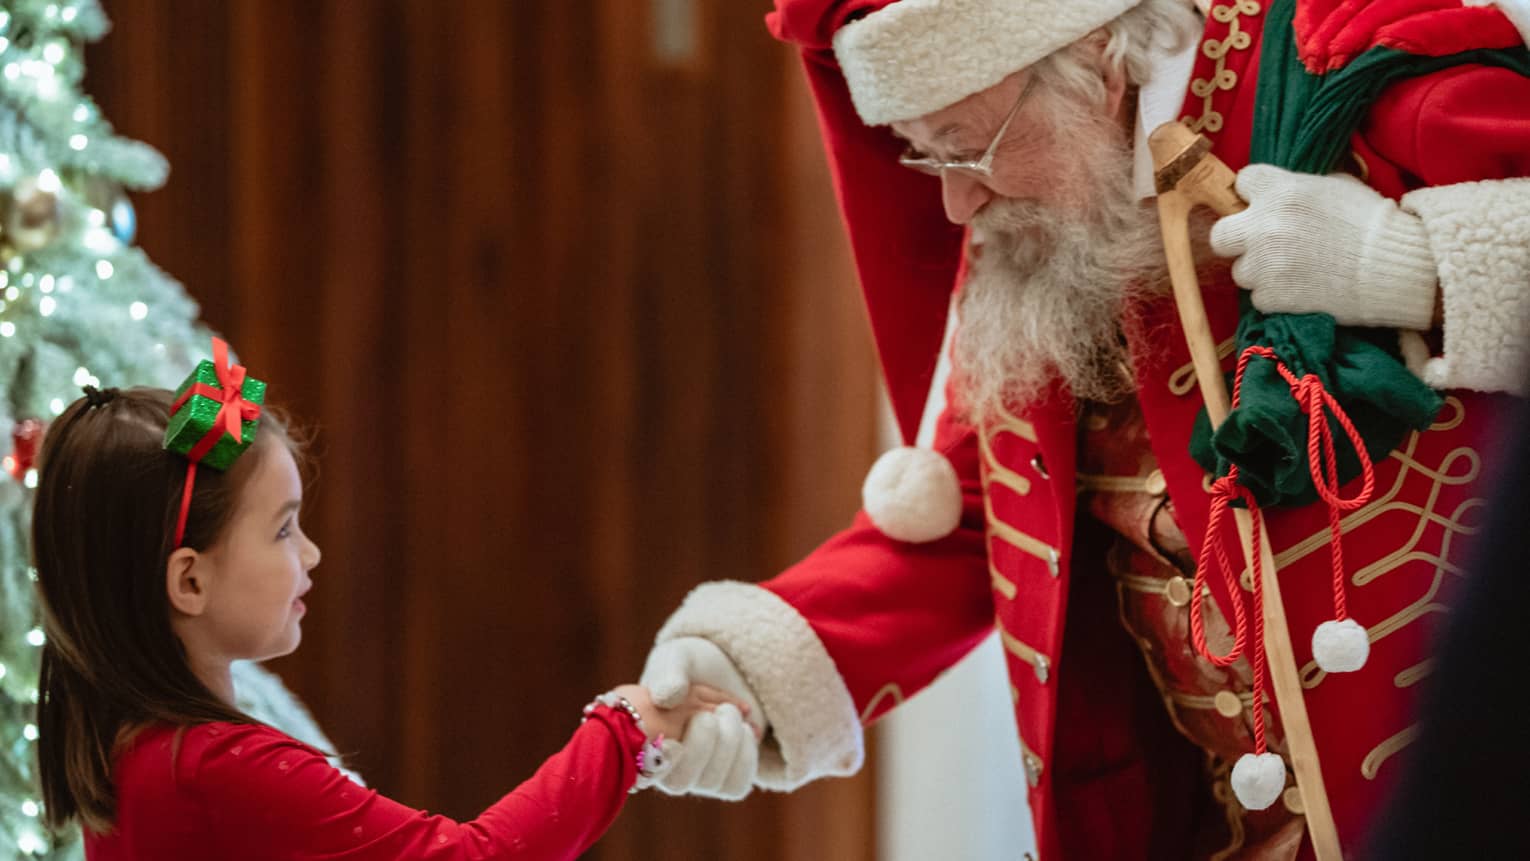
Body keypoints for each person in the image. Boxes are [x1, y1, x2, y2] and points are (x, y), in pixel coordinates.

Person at [635, 0, 1530, 858]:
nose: (955, 206)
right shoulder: (1042, 228)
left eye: (966, 147)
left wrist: (1421, 270)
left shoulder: (1363, 73)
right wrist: (748, 671)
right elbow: (973, 512)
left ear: (1096, 63)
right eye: (921, 157)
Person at [33, 343, 751, 860]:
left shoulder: (134, 749)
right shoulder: (216, 769)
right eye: (284, 528)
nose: (310, 553)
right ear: (188, 580)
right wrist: (626, 728)